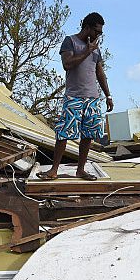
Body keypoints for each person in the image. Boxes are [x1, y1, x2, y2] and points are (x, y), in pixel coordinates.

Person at [37, 12, 113, 181]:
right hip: (74, 97)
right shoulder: (70, 41)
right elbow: (67, 64)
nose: (98, 35)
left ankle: (81, 170)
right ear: (87, 27)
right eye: (97, 31)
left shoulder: (96, 48)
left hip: (92, 98)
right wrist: (86, 51)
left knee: (88, 135)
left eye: (100, 32)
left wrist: (108, 96)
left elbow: (100, 72)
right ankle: (53, 170)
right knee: (64, 133)